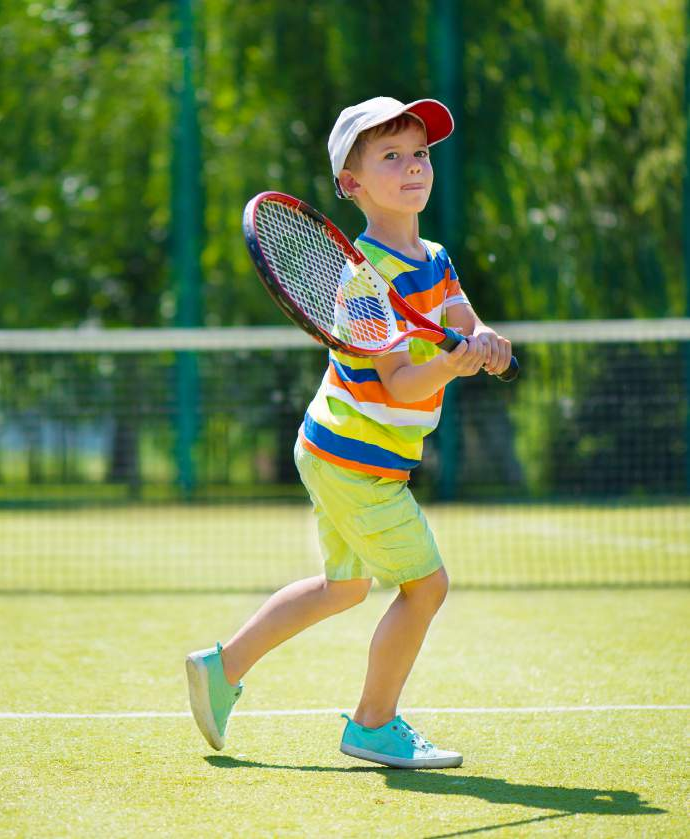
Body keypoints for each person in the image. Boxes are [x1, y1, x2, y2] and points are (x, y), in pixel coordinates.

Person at [186, 97, 512, 769]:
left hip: (353, 452)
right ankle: (373, 721)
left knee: (343, 587)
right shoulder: (360, 282)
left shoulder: (436, 258)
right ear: (350, 183)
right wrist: (448, 367)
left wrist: (483, 342)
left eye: (418, 152)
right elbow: (398, 381)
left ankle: (222, 668)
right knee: (425, 586)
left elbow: (464, 317)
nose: (411, 166)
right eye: (389, 156)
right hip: (350, 457)